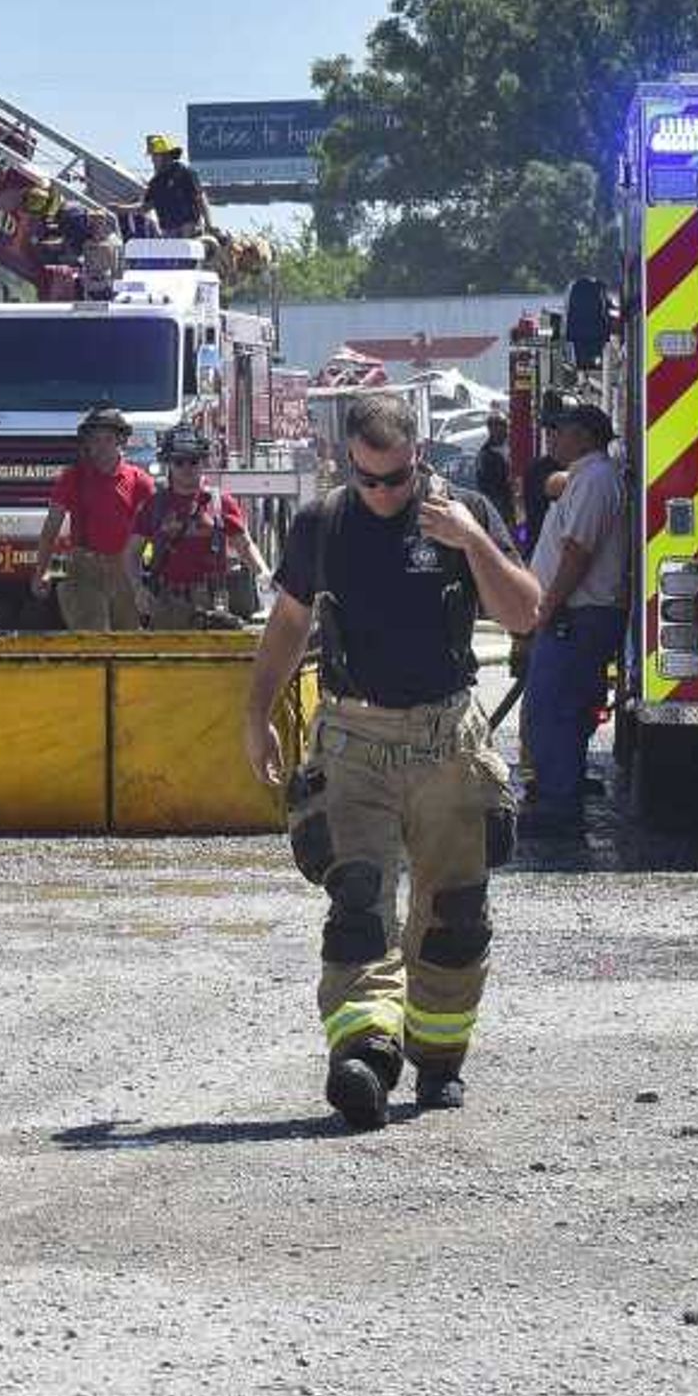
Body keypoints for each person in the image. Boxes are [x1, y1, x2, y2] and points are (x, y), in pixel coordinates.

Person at [245, 391, 546, 1130]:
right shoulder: (324, 524)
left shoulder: (460, 510)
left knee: (454, 912)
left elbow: (525, 611)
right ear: (348, 463)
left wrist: (474, 539)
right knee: (357, 904)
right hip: (354, 742)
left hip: (448, 742)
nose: (384, 494)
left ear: (420, 458)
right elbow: (287, 625)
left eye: (399, 478)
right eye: (370, 479)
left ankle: (438, 1059)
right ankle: (366, 1054)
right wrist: (255, 715)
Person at [516, 397, 630, 835]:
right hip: (577, 612)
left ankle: (558, 805)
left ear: (583, 437)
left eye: (559, 430)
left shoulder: (596, 480)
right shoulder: (588, 477)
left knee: (551, 707)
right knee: (568, 704)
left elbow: (578, 551)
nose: (552, 437)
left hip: (575, 612)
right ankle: (563, 786)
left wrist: (547, 605)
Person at [132, 426, 267, 628]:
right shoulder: (155, 505)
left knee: (214, 659)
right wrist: (138, 588)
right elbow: (131, 553)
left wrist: (263, 574)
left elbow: (245, 546)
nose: (187, 467)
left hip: (214, 603)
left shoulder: (221, 503)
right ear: (169, 464)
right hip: (167, 603)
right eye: (179, 462)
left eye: (193, 461)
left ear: (202, 462)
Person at [35, 406, 156, 631]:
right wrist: (41, 572)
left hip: (125, 572)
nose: (101, 447)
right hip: (83, 569)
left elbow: (156, 533)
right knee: (93, 640)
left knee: (127, 641)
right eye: (95, 440)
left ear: (121, 441)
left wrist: (148, 584)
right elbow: (50, 530)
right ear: (87, 443)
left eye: (108, 439)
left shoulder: (140, 482)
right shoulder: (72, 478)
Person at [139, 133, 211, 240]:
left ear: (166, 155)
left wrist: (208, 223)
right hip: (168, 232)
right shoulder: (155, 183)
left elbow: (200, 197)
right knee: (172, 254)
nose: (152, 160)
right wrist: (120, 209)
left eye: (155, 156)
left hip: (189, 228)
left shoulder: (184, 172)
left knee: (187, 254)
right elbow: (145, 207)